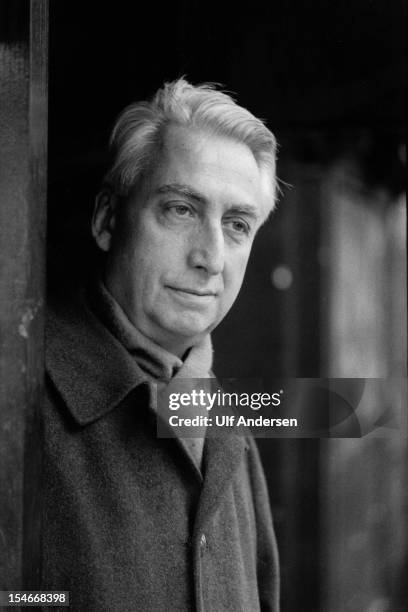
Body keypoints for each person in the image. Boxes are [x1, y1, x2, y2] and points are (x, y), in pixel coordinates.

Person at [43, 78, 280, 611]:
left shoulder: (229, 425)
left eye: (237, 224)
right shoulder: (22, 403)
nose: (211, 257)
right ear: (108, 219)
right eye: (181, 210)